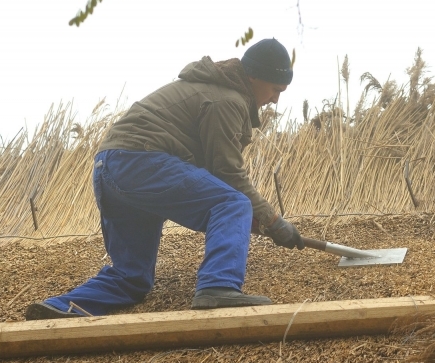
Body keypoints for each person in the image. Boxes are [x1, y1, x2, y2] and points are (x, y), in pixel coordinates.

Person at [25, 38, 303, 320]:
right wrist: (272, 220)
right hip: (141, 161)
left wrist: (254, 224)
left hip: (111, 167)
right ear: (253, 75)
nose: (275, 99)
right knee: (234, 203)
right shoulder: (227, 99)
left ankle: (62, 307)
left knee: (131, 278)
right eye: (275, 89)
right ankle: (219, 287)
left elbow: (204, 185)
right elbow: (228, 176)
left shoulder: (211, 89)